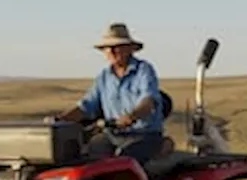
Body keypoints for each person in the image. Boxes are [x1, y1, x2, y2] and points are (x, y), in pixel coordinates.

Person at [50, 22, 166, 165]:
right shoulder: (104, 77)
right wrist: (61, 119)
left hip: (143, 135)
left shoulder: (144, 70)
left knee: (125, 163)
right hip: (111, 135)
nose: (111, 51)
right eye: (107, 48)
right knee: (85, 157)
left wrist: (131, 116)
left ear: (129, 49)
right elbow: (86, 106)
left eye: (116, 47)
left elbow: (148, 100)